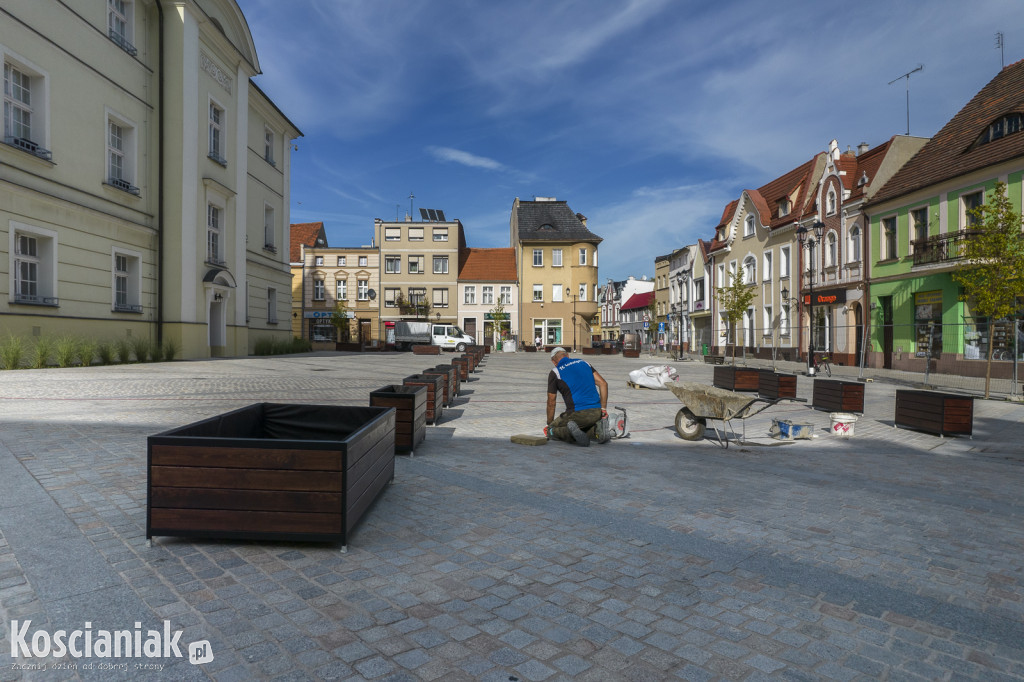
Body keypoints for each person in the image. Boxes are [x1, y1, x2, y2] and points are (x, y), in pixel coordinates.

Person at [544, 347, 610, 446]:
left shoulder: (555, 372)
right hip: (596, 412)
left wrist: (549, 423)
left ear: (554, 362)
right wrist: (603, 409)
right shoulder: (584, 363)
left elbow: (551, 402)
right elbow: (603, 383)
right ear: (568, 355)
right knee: (581, 425)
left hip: (577, 414)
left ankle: (570, 434)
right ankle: (597, 431)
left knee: (551, 430)